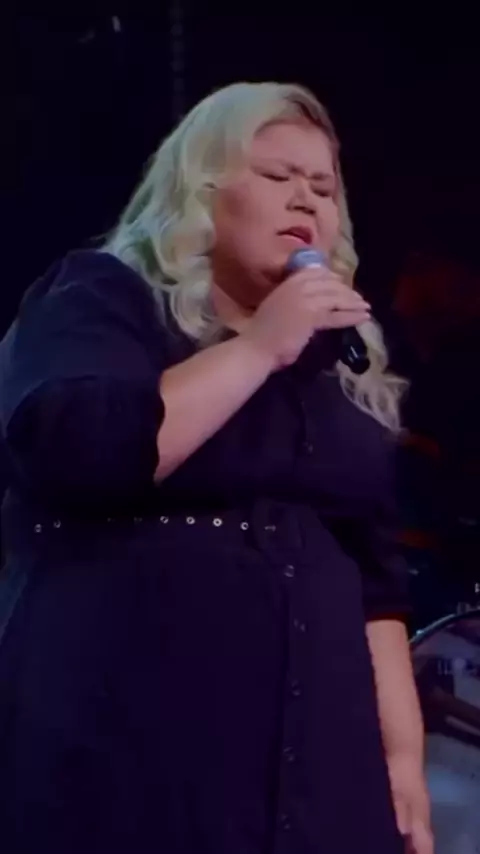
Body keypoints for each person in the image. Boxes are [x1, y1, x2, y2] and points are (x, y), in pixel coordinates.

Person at [0, 81, 432, 853]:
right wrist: (261, 345)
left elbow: (377, 584)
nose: (305, 198)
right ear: (200, 192)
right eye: (276, 175)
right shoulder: (103, 296)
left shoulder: (334, 372)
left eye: (323, 186)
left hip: (321, 775)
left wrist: (401, 759)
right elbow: (82, 449)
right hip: (132, 753)